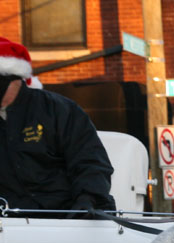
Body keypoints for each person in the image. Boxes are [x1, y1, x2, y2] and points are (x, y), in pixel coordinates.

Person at [0, 37, 115, 216]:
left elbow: (90, 161)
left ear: (12, 79)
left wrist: (88, 200)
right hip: (9, 225)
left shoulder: (58, 110)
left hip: (64, 219)